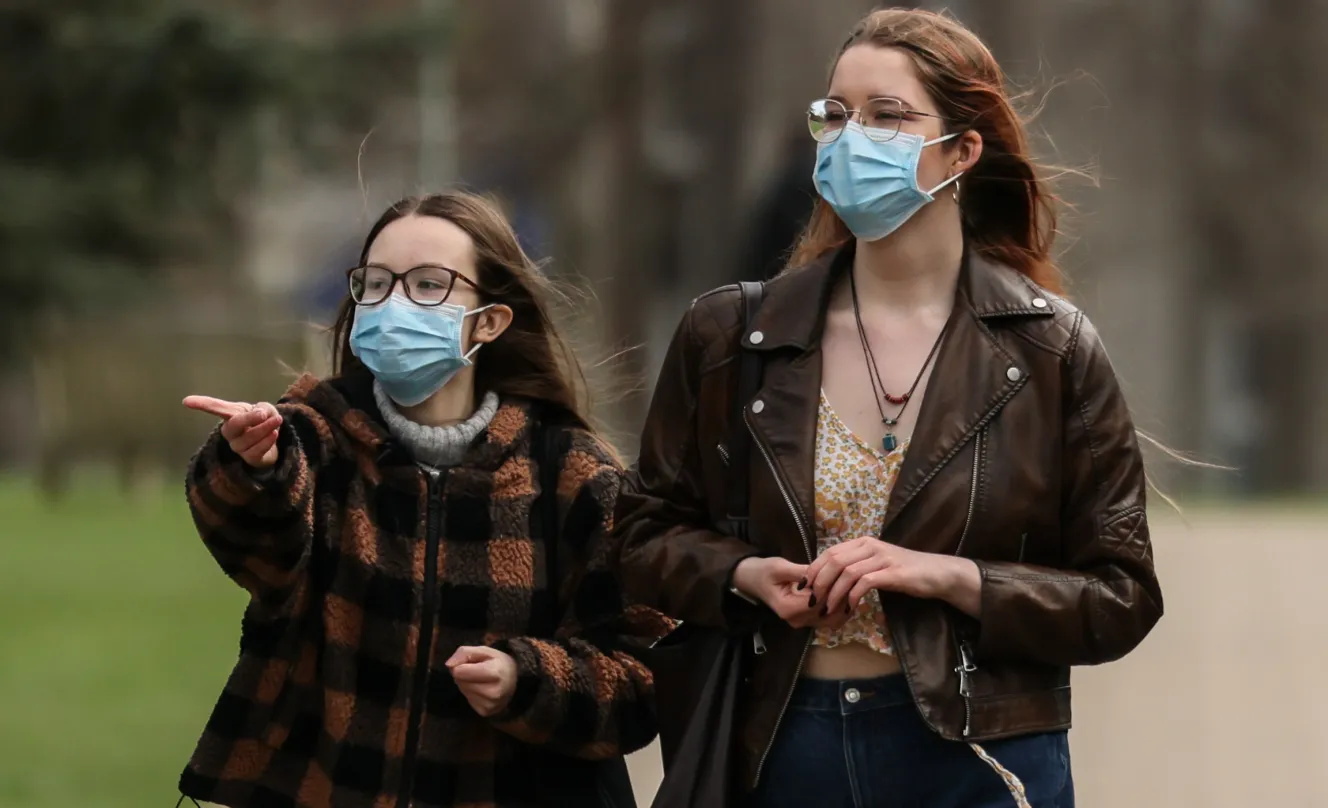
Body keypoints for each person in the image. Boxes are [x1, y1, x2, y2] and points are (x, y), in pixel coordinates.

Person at [614, 8, 1162, 808]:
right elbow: (641, 534)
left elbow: (1122, 596)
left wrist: (949, 577)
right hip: (779, 739)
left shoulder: (1050, 349)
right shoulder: (733, 334)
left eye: (887, 116)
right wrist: (742, 573)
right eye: (833, 115)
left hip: (978, 754)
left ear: (963, 150)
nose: (848, 137)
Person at [178, 191, 670, 808]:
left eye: (429, 285)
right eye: (376, 284)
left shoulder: (570, 475)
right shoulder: (315, 440)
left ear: (489, 321)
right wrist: (255, 465)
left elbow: (645, 676)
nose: (393, 305)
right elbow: (254, 542)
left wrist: (528, 680)